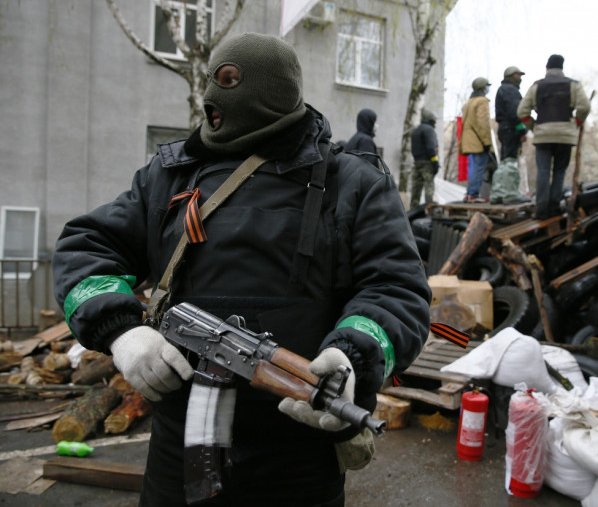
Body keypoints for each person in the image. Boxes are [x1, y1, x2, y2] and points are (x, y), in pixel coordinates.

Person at [52, 32, 431, 507]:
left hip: (299, 451)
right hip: (179, 443)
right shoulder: (168, 176)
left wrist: (354, 355)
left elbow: (398, 288)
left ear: (272, 92)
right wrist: (122, 331)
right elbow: (85, 247)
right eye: (213, 79)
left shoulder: (352, 182)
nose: (214, 96)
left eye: (230, 80)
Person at [517, 54, 591, 219]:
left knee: (543, 171)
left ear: (547, 68)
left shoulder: (537, 86)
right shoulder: (573, 85)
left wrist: (534, 127)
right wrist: (576, 122)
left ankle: (541, 209)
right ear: (562, 68)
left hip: (543, 135)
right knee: (559, 171)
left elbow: (522, 111)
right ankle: (555, 208)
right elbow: (584, 107)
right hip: (565, 135)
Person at [459, 77, 496, 203]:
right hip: (479, 141)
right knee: (479, 168)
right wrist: (487, 142)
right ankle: (473, 194)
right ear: (482, 88)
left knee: (475, 167)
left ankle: (470, 193)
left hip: (470, 141)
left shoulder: (469, 102)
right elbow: (483, 123)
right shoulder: (482, 101)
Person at [409, 108, 440, 208]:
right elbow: (431, 148)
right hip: (427, 163)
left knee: (416, 189)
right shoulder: (429, 130)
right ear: (432, 120)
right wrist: (435, 162)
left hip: (417, 163)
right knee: (429, 187)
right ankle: (429, 209)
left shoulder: (416, 130)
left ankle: (413, 211)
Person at [495, 66, 527, 160]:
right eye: (517, 75)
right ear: (510, 76)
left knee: (506, 158)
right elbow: (515, 113)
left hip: (506, 128)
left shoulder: (504, 89)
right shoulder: (510, 90)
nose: (520, 78)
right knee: (509, 160)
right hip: (510, 129)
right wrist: (522, 131)